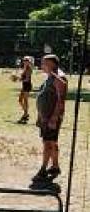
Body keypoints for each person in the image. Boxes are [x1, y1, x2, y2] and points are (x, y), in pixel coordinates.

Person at [33, 54, 67, 182]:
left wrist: (54, 117)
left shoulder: (59, 77)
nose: (42, 65)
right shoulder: (50, 76)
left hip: (51, 118)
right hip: (45, 117)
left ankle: (43, 170)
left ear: (52, 63)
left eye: (44, 63)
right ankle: (55, 166)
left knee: (48, 143)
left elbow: (60, 100)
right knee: (51, 142)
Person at [17, 56, 33, 124]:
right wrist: (18, 78)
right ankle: (26, 113)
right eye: (24, 60)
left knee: (25, 100)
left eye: (27, 60)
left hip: (27, 85)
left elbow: (27, 79)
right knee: (20, 100)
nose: (25, 61)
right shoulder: (25, 68)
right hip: (24, 85)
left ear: (29, 62)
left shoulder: (29, 69)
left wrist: (19, 79)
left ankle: (25, 114)